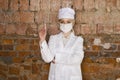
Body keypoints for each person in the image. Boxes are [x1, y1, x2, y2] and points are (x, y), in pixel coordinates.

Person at [39, 7, 84, 80]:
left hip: (72, 76)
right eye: (62, 21)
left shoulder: (78, 40)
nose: (65, 24)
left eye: (68, 22)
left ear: (73, 22)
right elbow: (48, 58)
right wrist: (42, 40)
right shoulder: (53, 38)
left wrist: (57, 58)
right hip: (56, 76)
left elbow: (77, 59)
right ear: (59, 23)